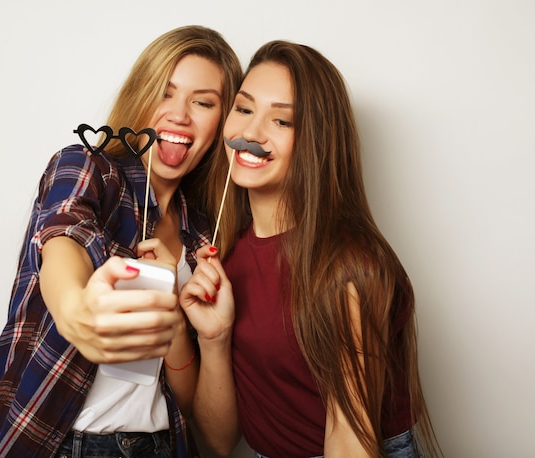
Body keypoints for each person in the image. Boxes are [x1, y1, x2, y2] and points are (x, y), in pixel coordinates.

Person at [0, 25, 242, 458]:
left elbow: (188, 403)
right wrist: (76, 310)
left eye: (203, 102)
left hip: (162, 445)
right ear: (140, 96)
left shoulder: (203, 232)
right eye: (164, 92)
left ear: (221, 122)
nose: (179, 114)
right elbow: (65, 235)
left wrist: (175, 318)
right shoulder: (90, 169)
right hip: (62, 444)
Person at [180, 40, 442, 457]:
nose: (250, 134)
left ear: (315, 140)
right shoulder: (224, 254)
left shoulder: (350, 266)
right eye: (244, 109)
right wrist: (214, 338)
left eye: (282, 122)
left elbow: (350, 443)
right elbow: (219, 440)